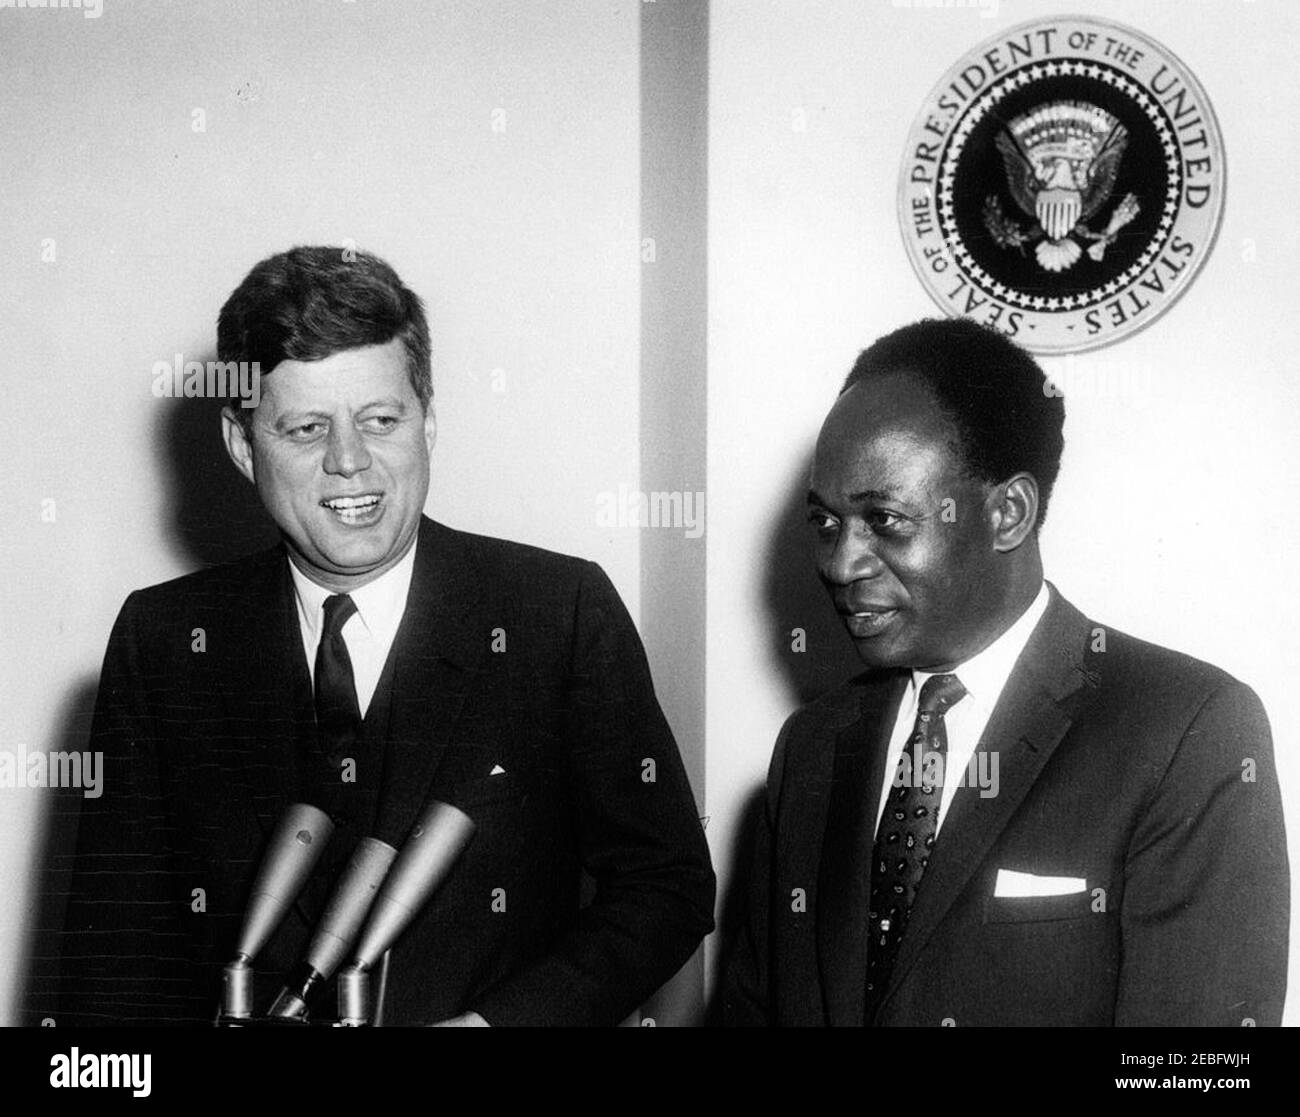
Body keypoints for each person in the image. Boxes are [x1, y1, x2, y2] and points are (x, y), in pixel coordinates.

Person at [50, 246, 714, 1026]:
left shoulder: (557, 613)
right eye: (305, 429)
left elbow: (667, 887)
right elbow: (115, 963)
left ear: (427, 422)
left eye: (380, 420)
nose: (350, 462)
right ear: (242, 445)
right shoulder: (161, 641)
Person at [722, 318, 1289, 1026]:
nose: (841, 564)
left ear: (1008, 513)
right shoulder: (811, 746)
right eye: (827, 522)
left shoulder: (1186, 732)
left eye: (886, 520)